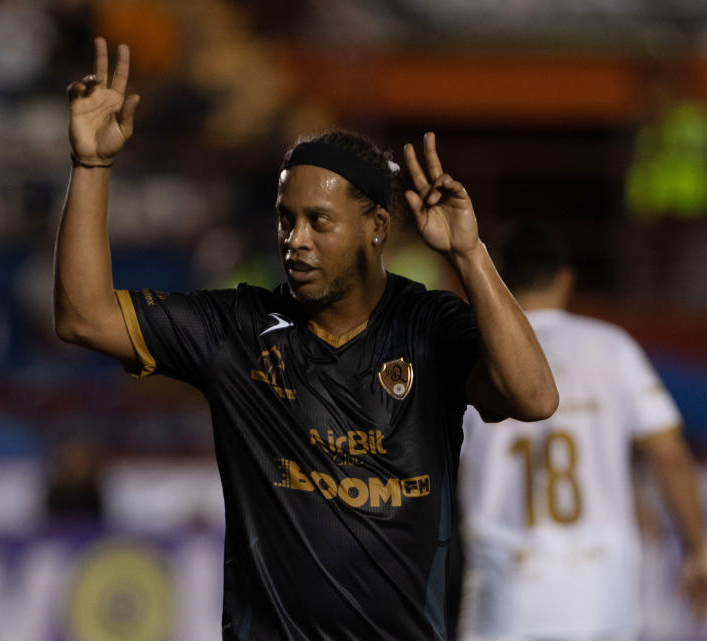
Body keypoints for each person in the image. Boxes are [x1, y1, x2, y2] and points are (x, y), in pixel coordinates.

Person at [54, 38, 558, 640]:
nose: (295, 239)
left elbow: (535, 398)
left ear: (376, 227)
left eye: (318, 221)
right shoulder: (236, 329)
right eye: (284, 219)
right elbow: (83, 316)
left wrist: (470, 254)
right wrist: (91, 166)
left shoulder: (429, 325)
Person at [457, 220, 707, 641]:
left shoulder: (471, 350)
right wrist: (697, 548)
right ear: (565, 278)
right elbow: (668, 455)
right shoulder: (613, 348)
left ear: (496, 276)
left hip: (506, 594)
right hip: (600, 596)